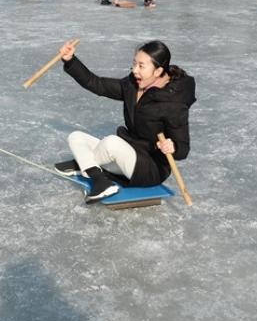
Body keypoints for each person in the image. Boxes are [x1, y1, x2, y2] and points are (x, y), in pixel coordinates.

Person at [54, 39, 196, 202]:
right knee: (76, 137)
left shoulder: (174, 103)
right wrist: (70, 60)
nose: (135, 70)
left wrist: (173, 146)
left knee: (111, 143)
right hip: (128, 153)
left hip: (149, 168)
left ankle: (86, 165)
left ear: (158, 71)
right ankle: (98, 178)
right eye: (134, 64)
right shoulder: (132, 85)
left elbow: (183, 149)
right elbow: (97, 84)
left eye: (141, 66)